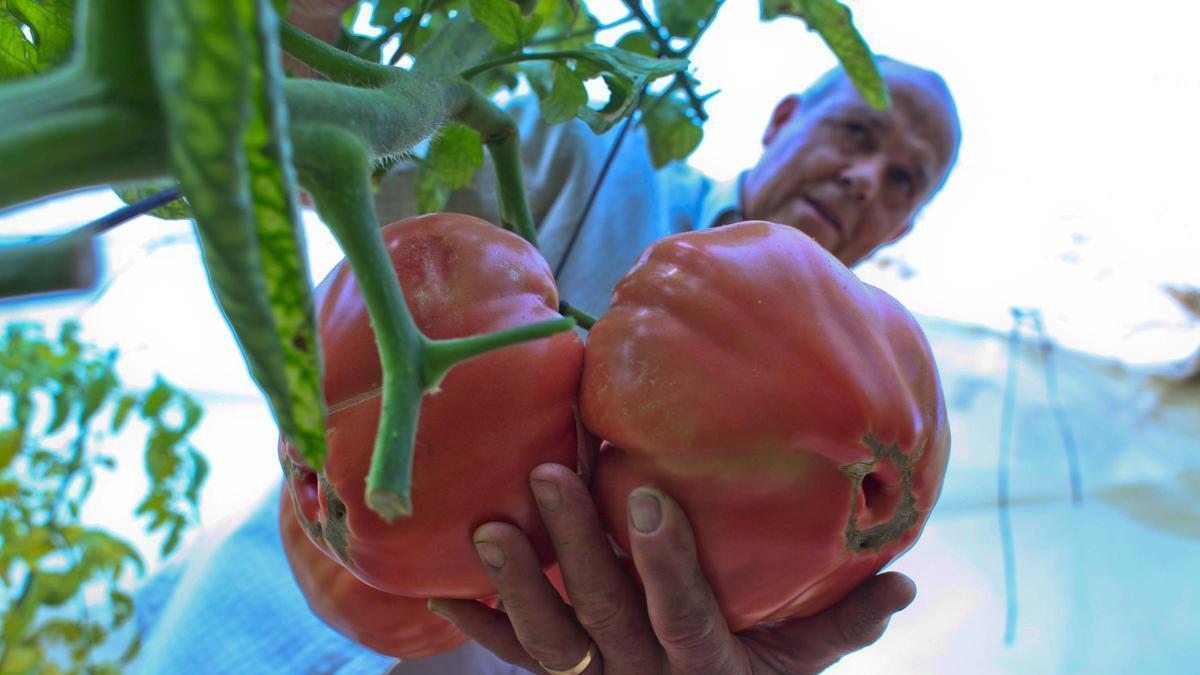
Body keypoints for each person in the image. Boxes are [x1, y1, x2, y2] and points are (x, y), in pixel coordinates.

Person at [126, 4, 962, 673]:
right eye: (858, 133)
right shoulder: (597, 150)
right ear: (784, 119)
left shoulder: (880, 389)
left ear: (906, 226)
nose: (864, 180)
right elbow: (345, 150)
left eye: (902, 181)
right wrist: (302, 40)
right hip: (259, 623)